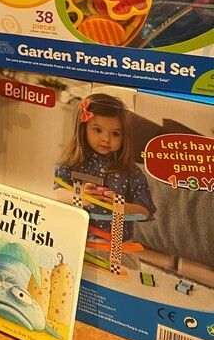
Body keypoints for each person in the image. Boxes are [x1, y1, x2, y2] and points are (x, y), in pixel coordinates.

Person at [53, 93, 155, 242]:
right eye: (98, 130)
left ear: (124, 136)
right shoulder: (71, 164)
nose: (106, 139)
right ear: (83, 129)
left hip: (116, 244)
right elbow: (56, 194)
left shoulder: (132, 173)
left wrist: (122, 207)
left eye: (115, 134)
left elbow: (145, 212)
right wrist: (79, 196)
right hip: (76, 238)